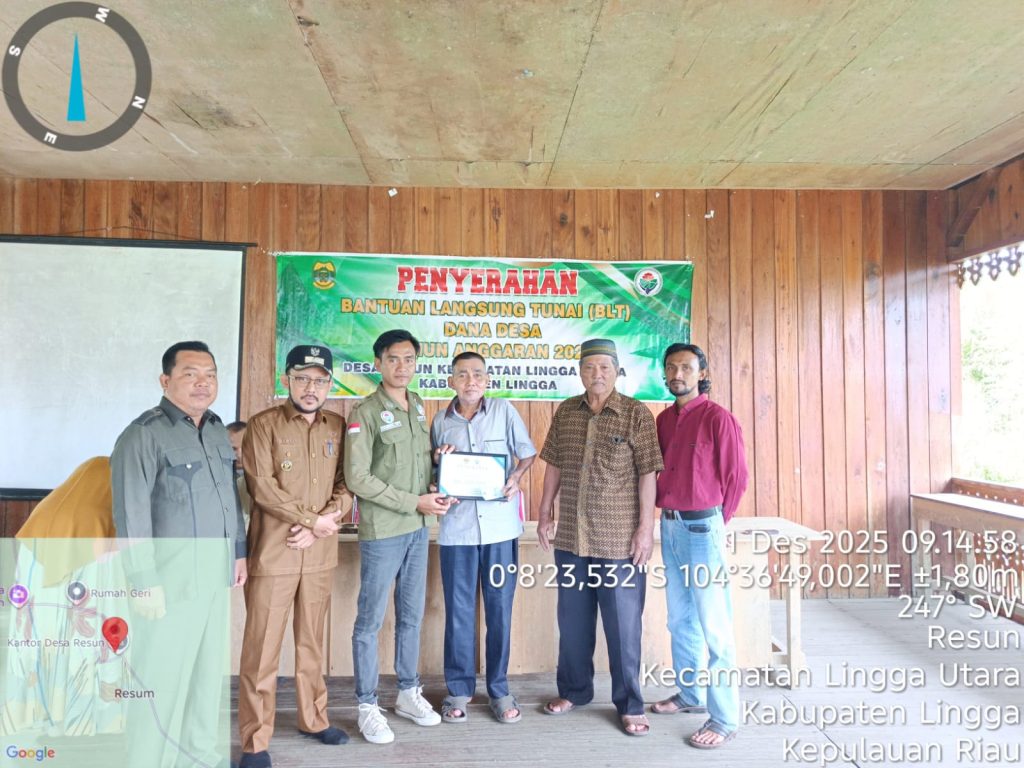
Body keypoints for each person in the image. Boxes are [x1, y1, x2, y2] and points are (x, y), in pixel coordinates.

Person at [110, 340, 247, 768]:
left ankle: (202, 758)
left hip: (214, 575)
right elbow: (130, 514)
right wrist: (143, 581)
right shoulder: (143, 434)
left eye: (210, 374)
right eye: (190, 374)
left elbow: (229, 498)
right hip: (168, 580)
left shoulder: (217, 429)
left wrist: (238, 552)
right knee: (161, 679)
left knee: (207, 679)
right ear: (165, 380)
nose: (202, 383)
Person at [537, 338, 663, 737]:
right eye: (589, 367)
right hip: (571, 538)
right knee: (572, 622)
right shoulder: (566, 412)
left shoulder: (636, 414)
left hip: (619, 542)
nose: (597, 374)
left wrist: (646, 529)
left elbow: (648, 473)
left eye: (605, 367)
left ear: (617, 371)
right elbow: (554, 464)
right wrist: (544, 511)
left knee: (624, 627)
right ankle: (574, 691)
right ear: (579, 371)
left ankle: (630, 704)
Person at [237, 345, 352, 768]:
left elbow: (347, 483)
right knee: (262, 650)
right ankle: (254, 742)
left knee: (311, 644)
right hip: (275, 553)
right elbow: (262, 487)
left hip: (319, 554)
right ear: (287, 379)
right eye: (302, 378)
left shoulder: (337, 426)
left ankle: (314, 719)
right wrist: (312, 521)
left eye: (320, 380)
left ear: (329, 385)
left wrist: (326, 519)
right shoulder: (263, 425)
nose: (311, 388)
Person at [345, 329, 453, 744]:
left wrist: (438, 470)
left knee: (411, 615)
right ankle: (367, 705)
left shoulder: (419, 405)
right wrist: (414, 502)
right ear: (378, 363)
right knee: (369, 622)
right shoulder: (366, 412)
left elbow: (417, 466)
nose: (402, 367)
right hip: (384, 532)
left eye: (409, 359)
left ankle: (408, 692)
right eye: (393, 359)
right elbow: (357, 477)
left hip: (417, 530)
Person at [431, 352, 536, 724]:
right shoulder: (440, 421)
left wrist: (515, 478)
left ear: (487, 380)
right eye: (462, 375)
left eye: (477, 374)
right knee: (459, 613)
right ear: (451, 382)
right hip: (457, 532)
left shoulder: (504, 411)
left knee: (499, 610)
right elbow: (433, 472)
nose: (470, 381)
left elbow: (526, 455)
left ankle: (499, 690)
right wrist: (438, 465)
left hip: (500, 531)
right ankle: (458, 690)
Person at [651, 343, 748, 749]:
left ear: (702, 374)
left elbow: (737, 478)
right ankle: (690, 693)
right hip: (670, 527)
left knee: (714, 625)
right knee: (679, 619)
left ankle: (724, 717)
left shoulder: (718, 418)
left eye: (687, 368)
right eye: (671, 368)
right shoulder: (663, 421)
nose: (678, 374)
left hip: (702, 530)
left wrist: (714, 525)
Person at [227, 420, 252, 525]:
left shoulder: (264, 476)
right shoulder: (215, 475)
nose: (239, 454)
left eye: (245, 447)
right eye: (233, 448)